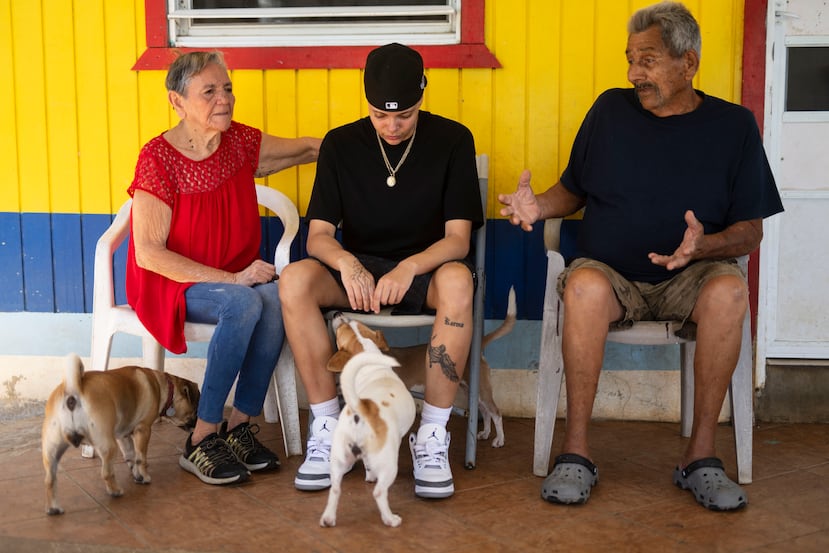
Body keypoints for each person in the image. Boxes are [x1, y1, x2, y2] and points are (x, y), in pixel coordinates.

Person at [499, 1, 783, 511]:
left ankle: (699, 459)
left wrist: (706, 246)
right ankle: (577, 454)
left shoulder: (733, 126)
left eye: (647, 61)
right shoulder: (610, 110)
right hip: (610, 275)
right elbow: (572, 190)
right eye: (630, 60)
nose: (634, 74)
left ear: (688, 63)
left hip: (691, 275)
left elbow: (750, 230)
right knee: (582, 287)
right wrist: (537, 206)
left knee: (730, 291)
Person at [279, 43, 483, 499]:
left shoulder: (453, 140)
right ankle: (329, 424)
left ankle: (431, 436)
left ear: (422, 96)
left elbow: (458, 240)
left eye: (404, 116)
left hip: (426, 265)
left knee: (458, 278)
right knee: (294, 280)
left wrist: (409, 268)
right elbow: (318, 237)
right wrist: (347, 262)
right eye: (379, 115)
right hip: (361, 270)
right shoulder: (340, 144)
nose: (391, 126)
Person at [126, 51, 320, 486]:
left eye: (228, 88)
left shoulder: (240, 143)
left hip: (235, 279)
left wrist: (357, 144)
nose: (224, 99)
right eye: (209, 91)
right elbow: (148, 254)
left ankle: (238, 428)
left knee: (275, 296)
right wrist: (232, 279)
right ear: (177, 102)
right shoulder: (157, 158)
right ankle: (201, 436)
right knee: (245, 302)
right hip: (173, 284)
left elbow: (304, 149)